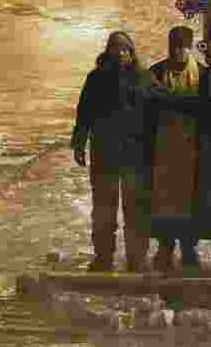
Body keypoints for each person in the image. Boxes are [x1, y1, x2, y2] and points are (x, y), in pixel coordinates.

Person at [71, 32, 168, 273]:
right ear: (109, 52)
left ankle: (137, 258)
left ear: (132, 53)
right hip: (105, 155)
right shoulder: (96, 79)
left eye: (126, 49)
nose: (122, 53)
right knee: (104, 209)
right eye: (117, 49)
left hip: (136, 155)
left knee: (136, 210)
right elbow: (84, 114)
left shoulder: (144, 78)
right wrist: (79, 143)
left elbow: (165, 104)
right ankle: (103, 257)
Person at [146, 26, 211, 271]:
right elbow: (149, 105)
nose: (179, 51)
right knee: (164, 200)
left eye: (183, 47)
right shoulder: (156, 72)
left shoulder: (205, 75)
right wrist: (191, 104)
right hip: (163, 149)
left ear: (190, 47)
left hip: (195, 150)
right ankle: (166, 247)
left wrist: (171, 101)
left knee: (193, 201)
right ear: (169, 48)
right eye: (175, 47)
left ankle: (189, 248)